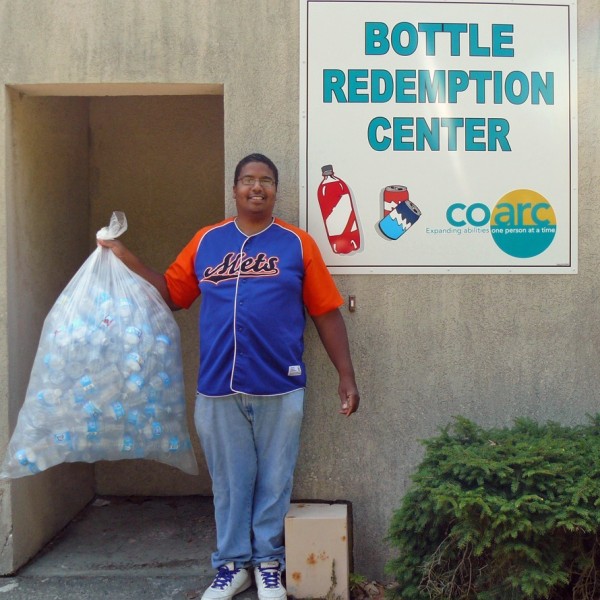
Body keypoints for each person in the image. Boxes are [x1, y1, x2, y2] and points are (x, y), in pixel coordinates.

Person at [98, 153, 360, 600]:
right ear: (235, 188)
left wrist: (346, 375)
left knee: (274, 480)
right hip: (219, 385)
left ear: (276, 191)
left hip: (280, 382)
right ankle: (233, 565)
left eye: (266, 181)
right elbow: (172, 295)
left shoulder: (296, 244)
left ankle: (269, 563)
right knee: (231, 483)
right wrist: (125, 258)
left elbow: (325, 312)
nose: (257, 187)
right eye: (248, 180)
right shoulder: (208, 241)